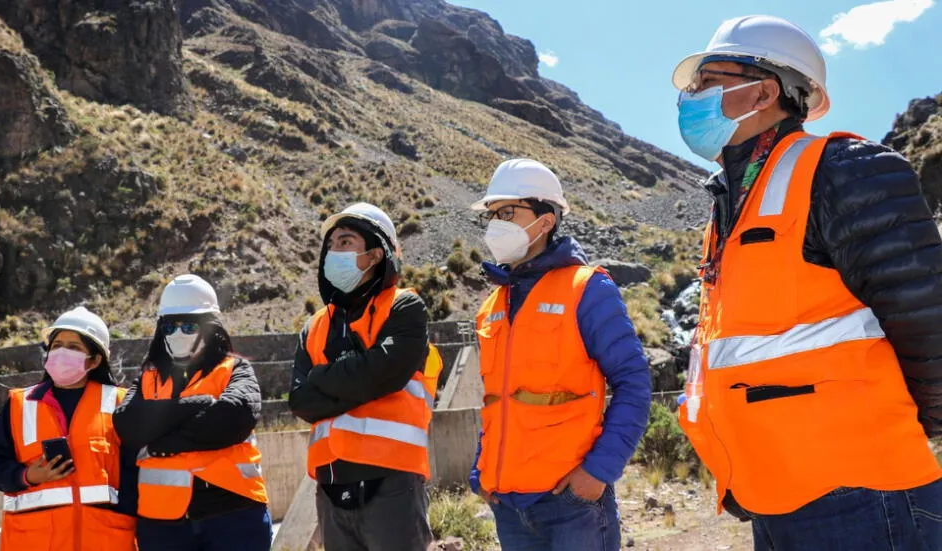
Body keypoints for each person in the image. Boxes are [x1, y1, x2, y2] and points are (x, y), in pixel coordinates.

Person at [672, 15, 942, 550]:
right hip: (770, 492)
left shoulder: (843, 170)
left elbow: (928, 322)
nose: (692, 98)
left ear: (764, 92)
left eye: (708, 82)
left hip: (859, 492)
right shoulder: (732, 206)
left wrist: (906, 430)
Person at [468, 158, 652, 551]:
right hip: (508, 505)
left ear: (546, 219)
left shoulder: (587, 289)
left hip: (570, 502)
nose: (496, 223)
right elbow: (496, 398)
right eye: (492, 214)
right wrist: (480, 472)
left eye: (508, 212)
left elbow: (634, 382)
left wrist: (598, 472)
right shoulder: (491, 305)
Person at [288, 202, 435, 551]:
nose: (332, 251)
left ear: (374, 255)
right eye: (331, 245)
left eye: (345, 242)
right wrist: (356, 374)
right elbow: (300, 400)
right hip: (330, 488)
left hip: (392, 482)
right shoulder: (315, 326)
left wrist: (321, 375)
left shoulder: (404, 308)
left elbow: (383, 372)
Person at [112, 274, 271, 550]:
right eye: (170, 327)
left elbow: (233, 417)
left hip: (233, 513)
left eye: (188, 326)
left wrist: (165, 442)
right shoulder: (149, 379)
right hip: (162, 523)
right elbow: (128, 424)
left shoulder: (234, 370)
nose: (178, 334)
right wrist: (196, 404)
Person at [0, 307, 137, 551]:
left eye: (74, 347)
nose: (62, 352)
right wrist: (27, 476)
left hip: (103, 540)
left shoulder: (119, 403)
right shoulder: (21, 405)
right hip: (34, 541)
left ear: (95, 360)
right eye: (57, 345)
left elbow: (136, 474)